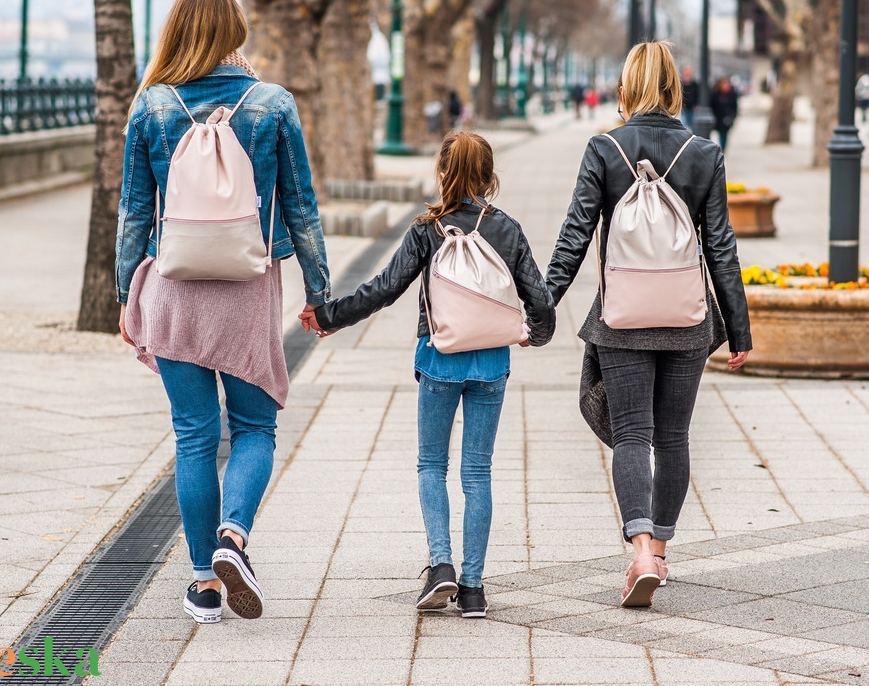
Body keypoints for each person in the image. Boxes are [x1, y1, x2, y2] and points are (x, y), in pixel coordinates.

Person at [116, 0, 332, 624]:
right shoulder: (271, 104)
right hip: (245, 289)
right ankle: (233, 537)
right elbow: (302, 210)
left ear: (177, 31)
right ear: (235, 30)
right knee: (256, 428)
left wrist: (128, 296)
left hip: (174, 293)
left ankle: (206, 585)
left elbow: (132, 215)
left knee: (193, 436)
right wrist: (320, 293)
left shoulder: (152, 106)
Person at [303, 132, 555, 618]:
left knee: (431, 466)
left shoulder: (427, 229)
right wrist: (534, 335)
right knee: (477, 471)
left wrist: (330, 317)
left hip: (438, 358)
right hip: (490, 363)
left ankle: (441, 566)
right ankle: (475, 588)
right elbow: (539, 300)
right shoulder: (507, 229)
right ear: (488, 177)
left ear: (442, 172)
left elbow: (385, 288)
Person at [545, 41, 751, 608]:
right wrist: (739, 327)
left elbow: (575, 234)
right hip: (688, 319)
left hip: (623, 318)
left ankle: (638, 550)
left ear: (627, 85)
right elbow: (722, 250)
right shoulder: (704, 152)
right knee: (675, 436)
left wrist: (540, 305)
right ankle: (659, 551)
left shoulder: (604, 148)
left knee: (632, 434)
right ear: (674, 87)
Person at [710, 76, 738, 151]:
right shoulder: (715, 94)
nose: (726, 86)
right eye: (724, 84)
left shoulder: (732, 94)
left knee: (724, 134)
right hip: (718, 117)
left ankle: (723, 149)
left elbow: (735, 107)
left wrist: (732, 116)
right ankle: (721, 149)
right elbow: (712, 105)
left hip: (727, 118)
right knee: (720, 134)